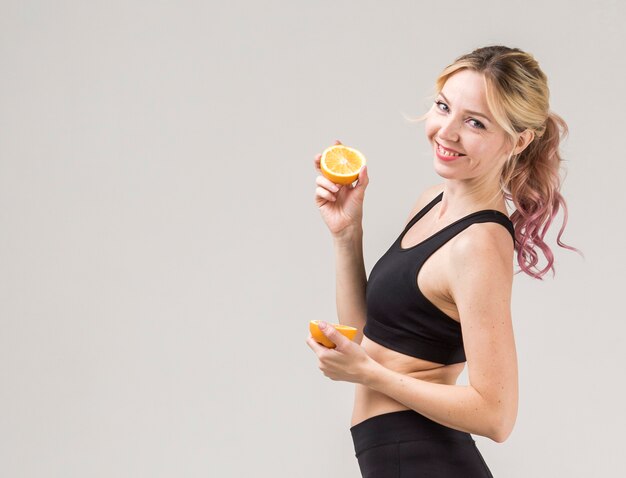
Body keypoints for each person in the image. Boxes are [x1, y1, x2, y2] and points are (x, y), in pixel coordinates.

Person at [306, 45, 577, 477]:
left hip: (424, 461)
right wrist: (347, 232)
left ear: (519, 140)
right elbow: (366, 336)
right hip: (393, 457)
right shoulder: (432, 202)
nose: (445, 132)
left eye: (474, 122)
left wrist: (370, 375)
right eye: (443, 107)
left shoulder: (479, 243)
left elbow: (497, 415)